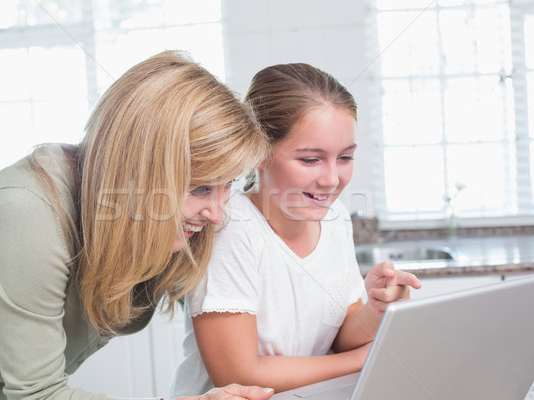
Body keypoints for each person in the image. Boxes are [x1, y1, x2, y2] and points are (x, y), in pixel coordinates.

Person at [0, 51, 275, 400]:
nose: (217, 214)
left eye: (228, 184)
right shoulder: (26, 207)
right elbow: (37, 393)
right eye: (200, 188)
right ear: (136, 171)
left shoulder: (154, 222)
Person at [169, 63, 422, 397]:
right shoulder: (229, 226)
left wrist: (375, 310)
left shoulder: (334, 220)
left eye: (344, 158)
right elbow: (239, 374)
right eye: (310, 160)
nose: (332, 179)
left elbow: (340, 334)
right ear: (258, 151)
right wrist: (362, 359)